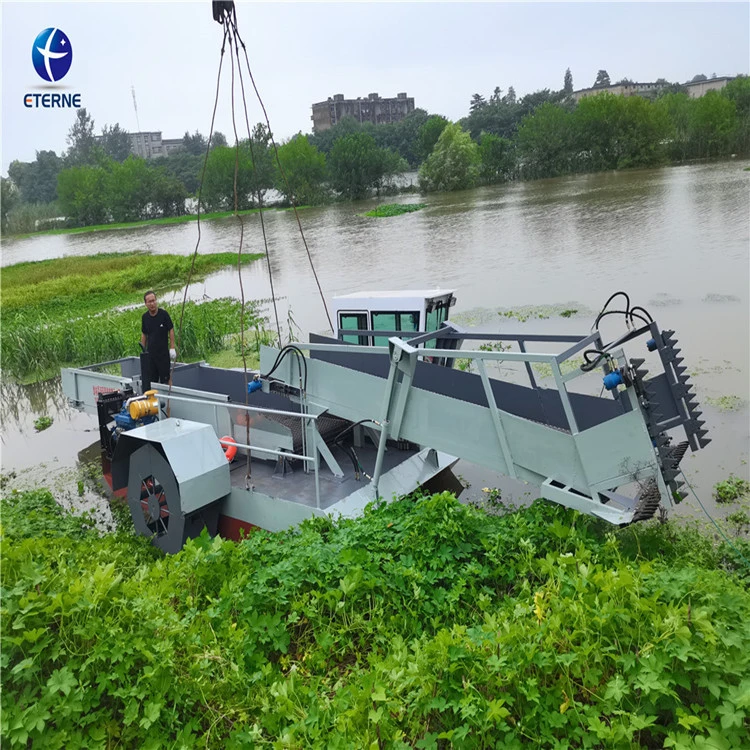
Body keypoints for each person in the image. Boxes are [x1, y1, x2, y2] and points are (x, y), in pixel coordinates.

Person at [140, 290, 176, 384]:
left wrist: (172, 347)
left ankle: (169, 398)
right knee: (152, 381)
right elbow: (144, 334)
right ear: (146, 304)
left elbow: (171, 329)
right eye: (149, 302)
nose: (152, 304)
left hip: (163, 355)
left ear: (156, 301)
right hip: (151, 356)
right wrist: (143, 352)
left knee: (166, 379)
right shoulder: (145, 317)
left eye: (153, 300)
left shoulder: (164, 314)